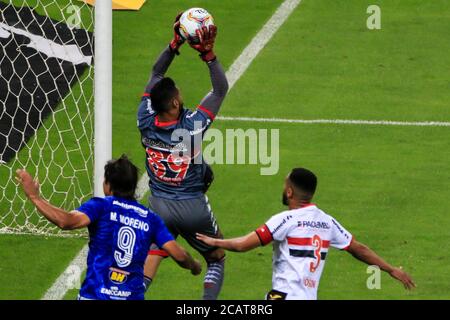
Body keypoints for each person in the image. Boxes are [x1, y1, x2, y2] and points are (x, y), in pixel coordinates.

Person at [197, 168, 416, 300]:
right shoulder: (327, 222)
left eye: (285, 186)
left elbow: (244, 245)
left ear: (290, 191)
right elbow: (358, 248)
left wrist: (215, 241)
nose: (284, 190)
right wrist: (390, 269)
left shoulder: (284, 220)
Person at [16, 155, 201, 300]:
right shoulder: (150, 219)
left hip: (95, 295)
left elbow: (67, 221)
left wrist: (35, 197)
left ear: (108, 185)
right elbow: (178, 254)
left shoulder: (101, 206)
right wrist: (194, 266)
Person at [137, 13, 228, 300]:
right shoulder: (193, 125)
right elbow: (220, 89)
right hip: (192, 206)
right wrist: (208, 55)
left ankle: (131, 296)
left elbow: (155, 75)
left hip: (160, 204)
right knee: (217, 256)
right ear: (175, 101)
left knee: (154, 252)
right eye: (178, 92)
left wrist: (174, 44)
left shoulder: (145, 118)